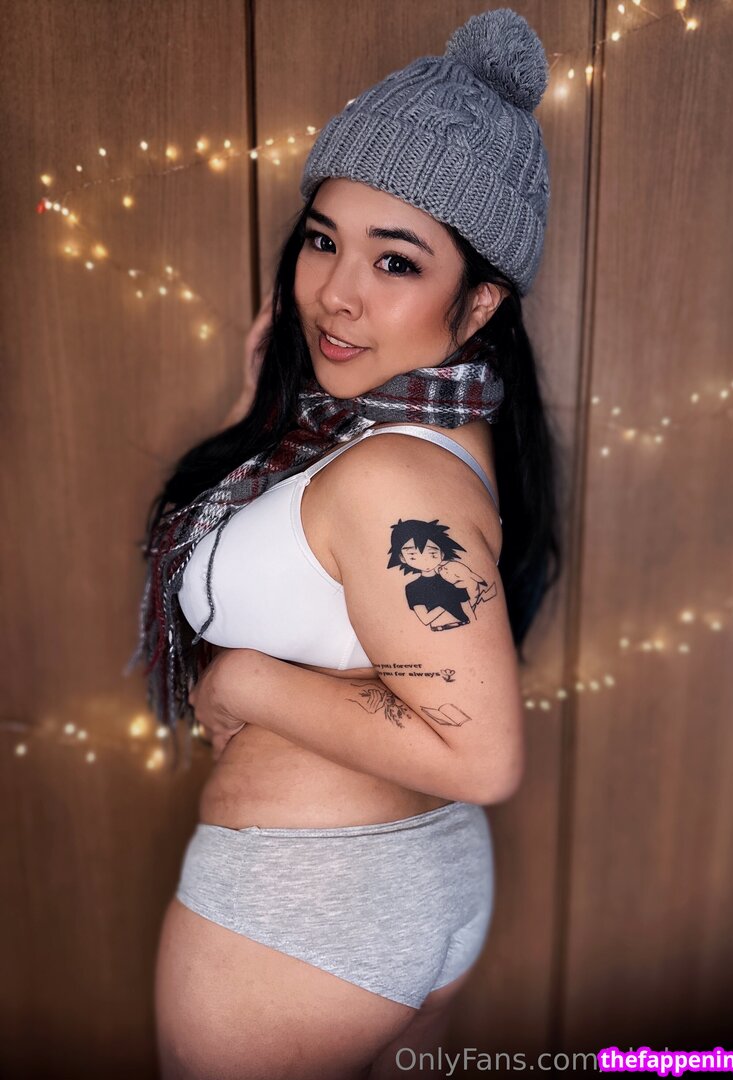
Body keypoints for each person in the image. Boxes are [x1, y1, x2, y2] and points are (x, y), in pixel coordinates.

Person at [129, 8, 564, 1078]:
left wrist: (247, 682)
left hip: (307, 908)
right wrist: (261, 413)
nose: (336, 292)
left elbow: (482, 753)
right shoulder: (404, 435)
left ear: (479, 304)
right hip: (388, 890)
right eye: (325, 240)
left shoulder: (388, 474)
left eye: (396, 261)